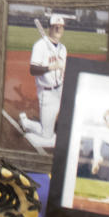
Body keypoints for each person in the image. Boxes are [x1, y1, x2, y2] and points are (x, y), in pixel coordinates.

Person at [19, 14, 67, 143]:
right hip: (47, 93)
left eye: (60, 27)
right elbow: (33, 70)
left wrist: (61, 69)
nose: (58, 30)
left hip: (61, 89)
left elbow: (62, 70)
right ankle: (26, 122)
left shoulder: (63, 49)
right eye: (55, 27)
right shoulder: (40, 46)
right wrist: (50, 67)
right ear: (49, 28)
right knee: (47, 135)